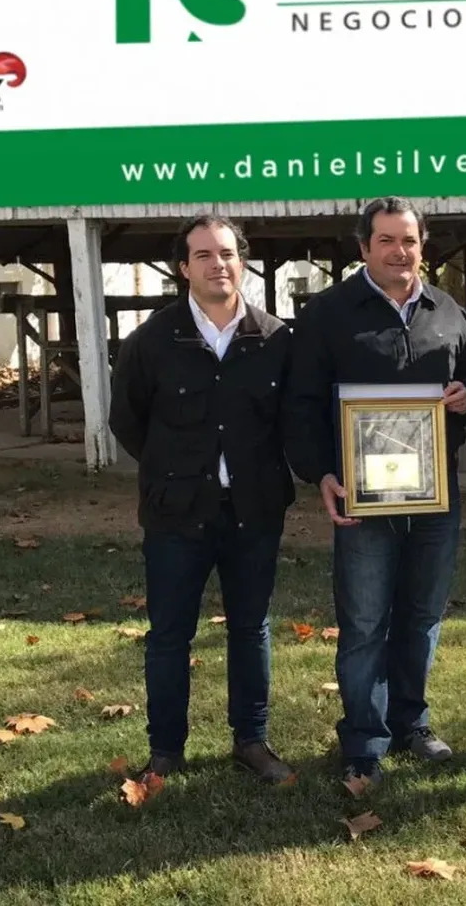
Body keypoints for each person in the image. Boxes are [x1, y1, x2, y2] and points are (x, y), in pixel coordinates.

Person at [283, 196, 466, 791]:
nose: (400, 252)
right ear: (363, 248)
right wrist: (321, 473)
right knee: (366, 620)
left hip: (434, 495)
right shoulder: (328, 313)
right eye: (387, 241)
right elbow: (299, 403)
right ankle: (364, 742)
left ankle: (410, 722)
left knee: (422, 615)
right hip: (363, 496)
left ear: (423, 247)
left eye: (410, 241)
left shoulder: (447, 311)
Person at [109, 213, 296, 784]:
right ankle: (166, 750)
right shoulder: (151, 341)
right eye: (205, 255)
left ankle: (251, 741)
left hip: (253, 512)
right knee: (169, 635)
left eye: (228, 253)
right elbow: (127, 421)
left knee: (251, 628)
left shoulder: (276, 339)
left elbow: (293, 419)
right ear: (183, 268)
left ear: (243, 262)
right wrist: (175, 471)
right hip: (176, 514)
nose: (219, 264)